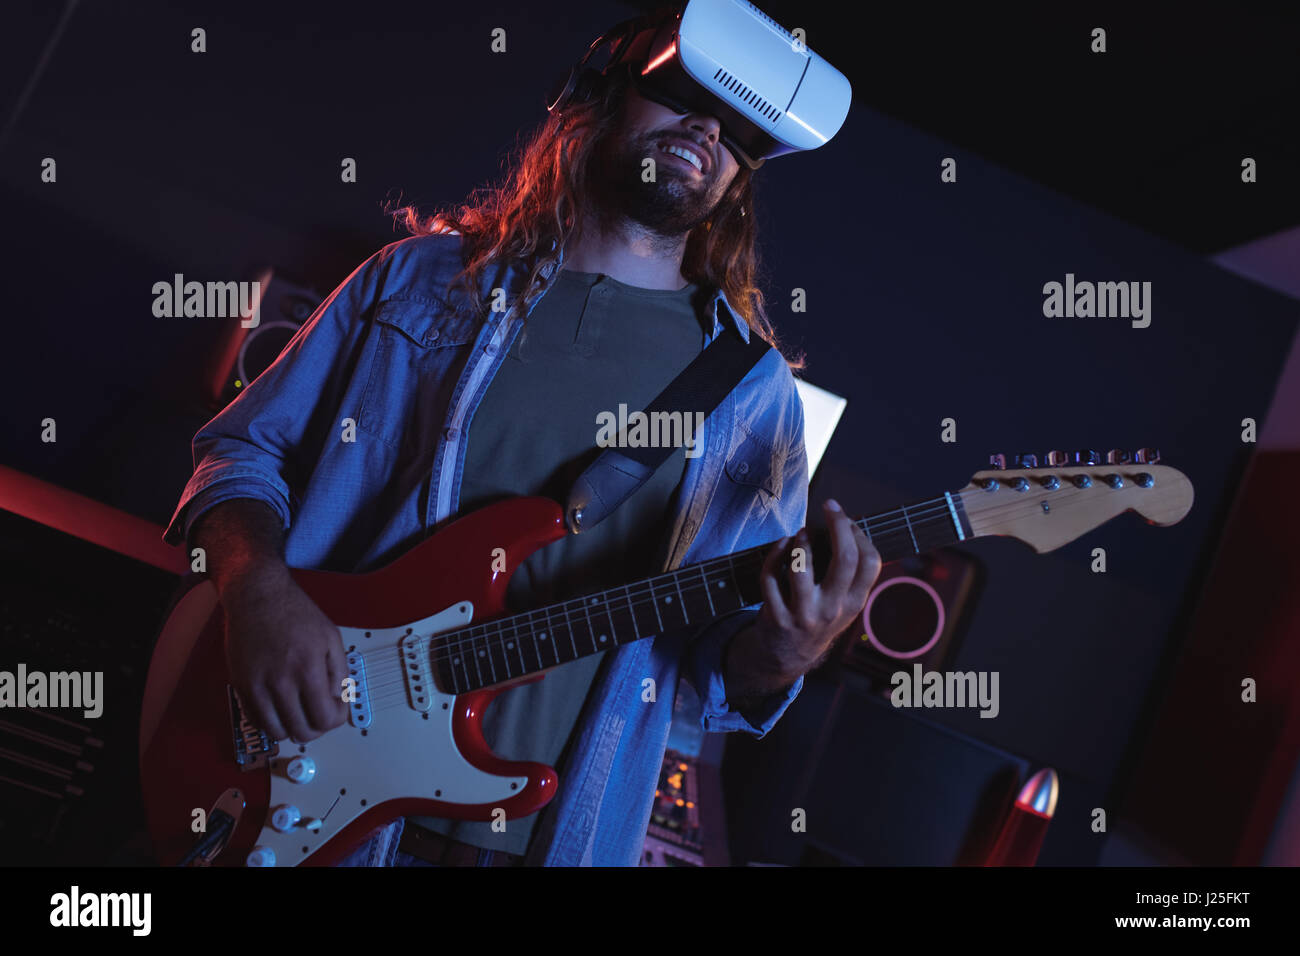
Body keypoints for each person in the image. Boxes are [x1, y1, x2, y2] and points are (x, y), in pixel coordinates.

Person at [163, 18, 880, 868]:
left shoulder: (751, 395)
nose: (711, 131)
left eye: (746, 133)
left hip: (539, 838)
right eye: (687, 96)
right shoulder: (417, 281)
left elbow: (722, 662)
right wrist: (258, 596)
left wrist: (790, 647)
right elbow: (240, 453)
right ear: (606, 95)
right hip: (301, 779)